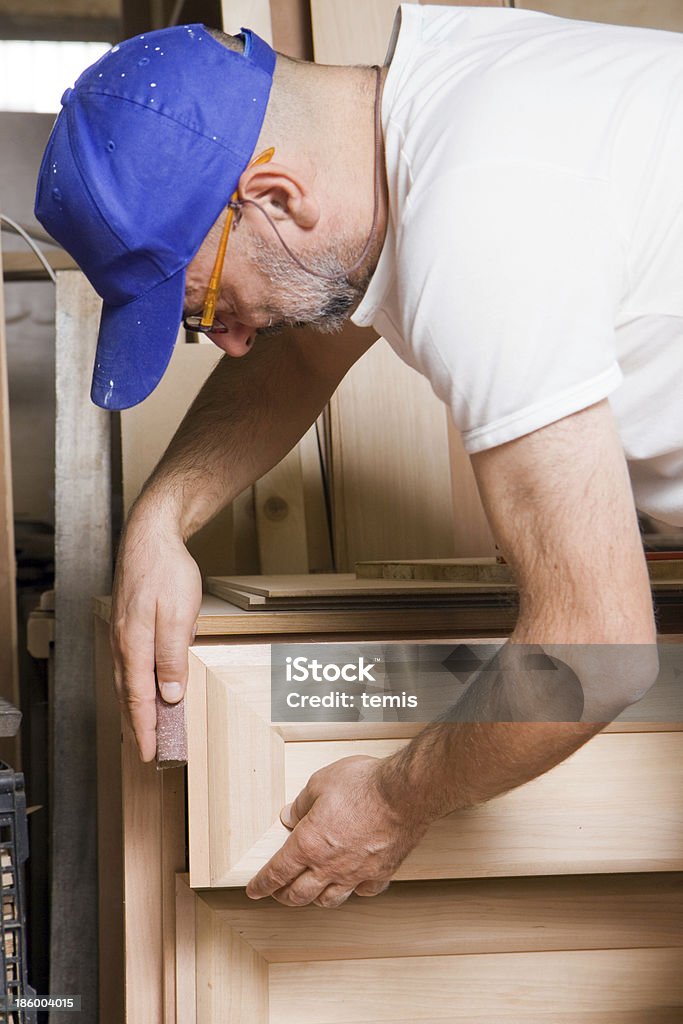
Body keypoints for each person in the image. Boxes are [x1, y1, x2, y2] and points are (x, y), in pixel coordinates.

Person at [35, 4, 683, 909]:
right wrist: (161, 520)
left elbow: (597, 650)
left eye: (212, 300)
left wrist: (392, 799)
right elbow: (311, 343)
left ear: (275, 197)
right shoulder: (427, 103)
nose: (228, 342)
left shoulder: (481, 229)